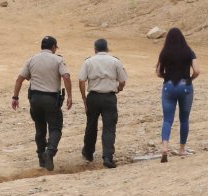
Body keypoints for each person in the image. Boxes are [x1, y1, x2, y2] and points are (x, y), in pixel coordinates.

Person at [12, 35, 73, 171]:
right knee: (55, 127)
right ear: (53, 47)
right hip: (51, 99)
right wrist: (69, 96)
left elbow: (19, 79)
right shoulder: (58, 60)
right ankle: (49, 153)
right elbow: (67, 77)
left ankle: (41, 158)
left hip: (35, 99)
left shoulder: (32, 60)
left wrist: (15, 97)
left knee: (40, 129)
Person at [78, 38, 128, 169]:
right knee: (109, 127)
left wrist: (84, 99)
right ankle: (107, 157)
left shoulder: (88, 61)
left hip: (93, 97)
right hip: (109, 97)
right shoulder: (115, 61)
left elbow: (81, 81)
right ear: (107, 48)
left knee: (91, 126)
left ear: (95, 49)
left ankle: (88, 153)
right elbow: (122, 81)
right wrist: (118, 89)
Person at [156, 28, 200, 162]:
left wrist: (166, 77)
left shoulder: (164, 52)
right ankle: (182, 149)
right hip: (185, 86)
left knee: (167, 120)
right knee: (184, 119)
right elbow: (197, 70)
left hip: (169, 86)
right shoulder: (189, 51)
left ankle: (164, 147)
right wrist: (190, 79)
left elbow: (158, 72)